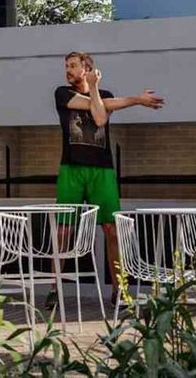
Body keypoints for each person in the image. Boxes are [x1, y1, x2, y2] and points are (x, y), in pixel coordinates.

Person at [51, 52, 164, 305]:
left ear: (87, 69)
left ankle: (119, 291)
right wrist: (136, 99)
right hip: (71, 169)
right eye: (66, 66)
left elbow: (100, 118)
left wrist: (96, 89)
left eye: (73, 66)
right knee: (64, 231)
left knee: (112, 230)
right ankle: (55, 289)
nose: (68, 70)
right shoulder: (62, 93)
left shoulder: (105, 95)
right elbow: (99, 113)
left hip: (102, 170)